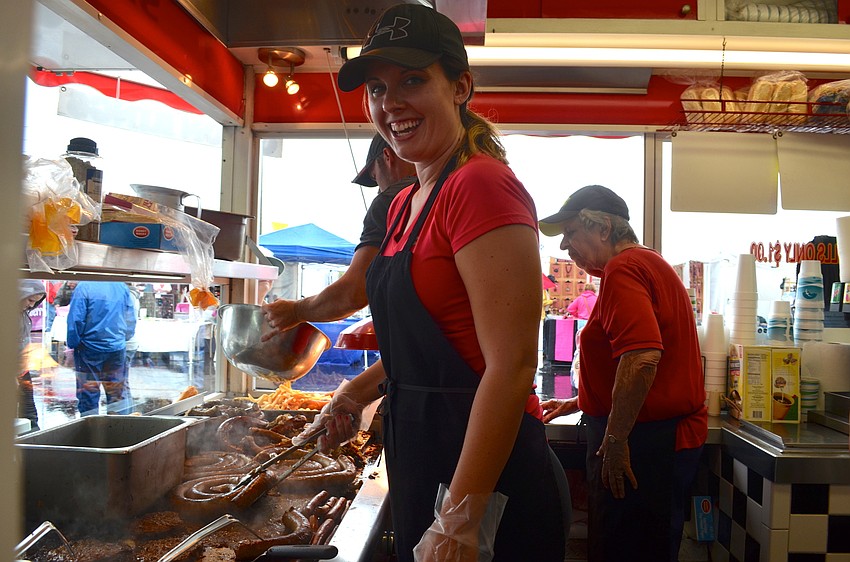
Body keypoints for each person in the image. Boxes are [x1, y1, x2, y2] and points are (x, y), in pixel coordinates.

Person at [290, 5, 566, 561]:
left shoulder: (481, 185)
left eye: (412, 80)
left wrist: (461, 514)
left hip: (486, 480)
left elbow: (510, 366)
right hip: (426, 463)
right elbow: (425, 349)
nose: (389, 103)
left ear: (461, 85)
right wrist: (351, 393)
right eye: (376, 88)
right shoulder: (403, 206)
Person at [537, 185, 708, 562]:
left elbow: (643, 356)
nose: (565, 247)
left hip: (646, 444)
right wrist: (579, 401)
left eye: (570, 234)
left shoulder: (624, 269)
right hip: (654, 437)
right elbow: (631, 360)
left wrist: (615, 440)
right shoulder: (647, 263)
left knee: (628, 549)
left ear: (603, 229)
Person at [262, 133, 416, 334]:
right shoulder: (446, 189)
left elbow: (353, 294)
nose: (379, 190)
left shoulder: (391, 201)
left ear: (388, 156)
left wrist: (295, 310)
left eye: (374, 178)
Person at [66, 281, 137, 416]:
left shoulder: (84, 286)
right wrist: (123, 337)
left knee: (89, 395)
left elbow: (76, 319)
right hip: (116, 348)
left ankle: (90, 432)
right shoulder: (121, 286)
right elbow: (130, 317)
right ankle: (119, 431)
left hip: (89, 348)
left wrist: (73, 343)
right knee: (116, 395)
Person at [18, 280, 47, 431]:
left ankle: (33, 446)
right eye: (30, 300)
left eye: (35, 302)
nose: (31, 305)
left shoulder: (22, 313)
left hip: (21, 371)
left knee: (29, 415)